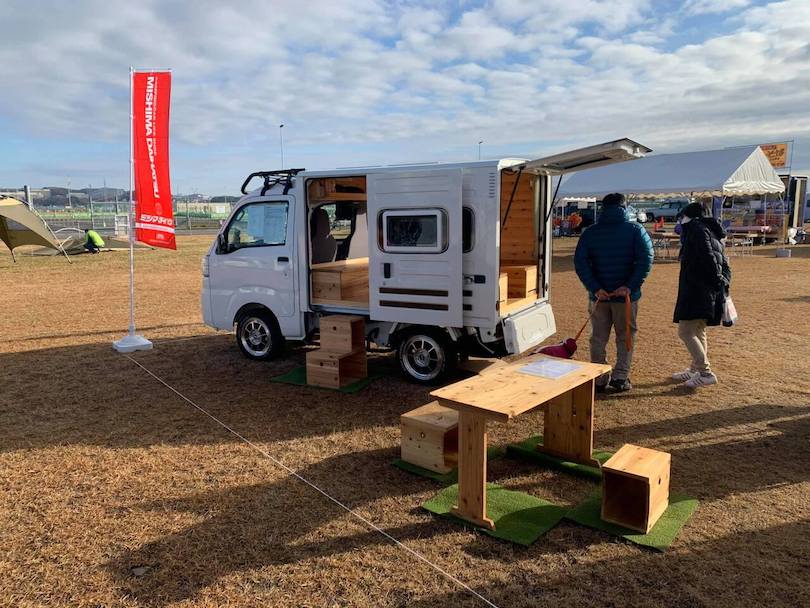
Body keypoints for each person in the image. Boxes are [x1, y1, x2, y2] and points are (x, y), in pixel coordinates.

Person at [574, 192, 654, 392]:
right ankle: (620, 377)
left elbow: (581, 262)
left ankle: (599, 378)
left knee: (598, 337)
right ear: (624, 207)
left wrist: (595, 287)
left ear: (603, 208)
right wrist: (630, 286)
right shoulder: (636, 230)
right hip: (625, 296)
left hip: (600, 296)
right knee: (625, 335)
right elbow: (646, 259)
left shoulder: (591, 232)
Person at [672, 203, 731, 388]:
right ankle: (695, 369)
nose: (681, 220)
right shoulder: (711, 230)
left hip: (697, 289)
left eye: (683, 216)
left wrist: (715, 280)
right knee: (698, 330)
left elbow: (708, 258)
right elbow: (719, 261)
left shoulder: (697, 230)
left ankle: (705, 372)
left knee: (686, 331)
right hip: (706, 289)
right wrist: (720, 282)